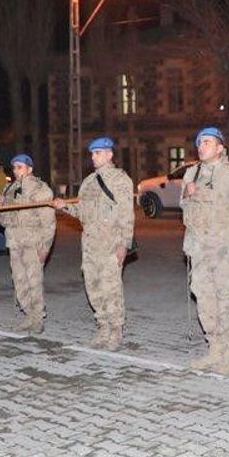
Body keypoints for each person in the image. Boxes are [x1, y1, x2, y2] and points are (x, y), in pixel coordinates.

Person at [181, 127, 229, 375]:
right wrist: (187, 193)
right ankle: (213, 348)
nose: (201, 146)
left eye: (207, 142)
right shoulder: (192, 173)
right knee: (204, 300)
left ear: (220, 148)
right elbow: (184, 206)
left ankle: (228, 354)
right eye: (200, 142)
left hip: (226, 251)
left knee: (225, 301)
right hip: (200, 251)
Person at [54, 137, 136, 349]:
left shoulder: (120, 180)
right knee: (93, 287)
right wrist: (65, 207)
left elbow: (127, 215)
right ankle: (103, 327)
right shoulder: (88, 182)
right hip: (90, 246)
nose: (93, 157)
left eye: (98, 153)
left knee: (111, 289)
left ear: (109, 154)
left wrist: (124, 244)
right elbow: (82, 212)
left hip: (110, 244)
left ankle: (115, 330)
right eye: (92, 153)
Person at [0, 154, 56, 333]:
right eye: (14, 167)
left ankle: (37, 319)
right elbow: (3, 220)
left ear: (30, 169)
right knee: (19, 281)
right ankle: (29, 315)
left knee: (34, 282)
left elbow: (49, 222)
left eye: (20, 167)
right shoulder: (9, 189)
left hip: (33, 243)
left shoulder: (41, 190)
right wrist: (1, 207)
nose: (16, 171)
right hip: (15, 242)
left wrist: (45, 248)